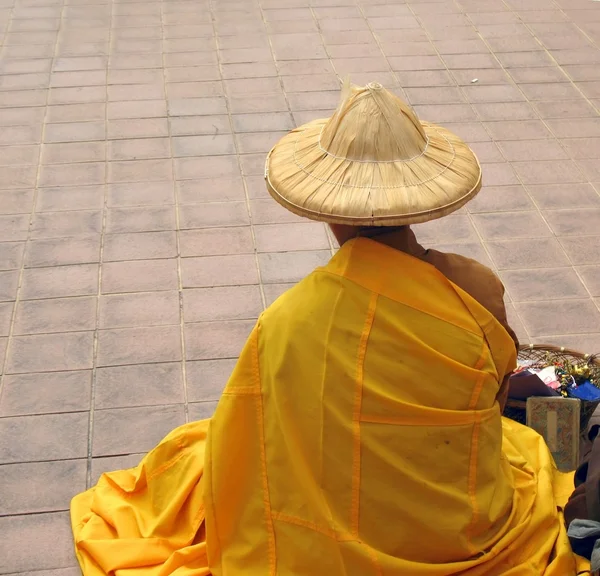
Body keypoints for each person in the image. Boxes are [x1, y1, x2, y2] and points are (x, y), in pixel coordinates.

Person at [70, 82, 588, 575]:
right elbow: (491, 406)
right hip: (461, 528)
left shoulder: (291, 317)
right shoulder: (477, 287)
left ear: (330, 214)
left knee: (201, 454)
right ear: (418, 205)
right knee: (521, 448)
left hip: (327, 529)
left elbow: (265, 430)